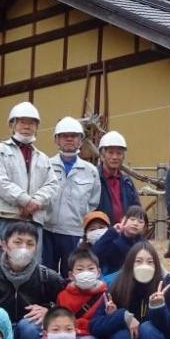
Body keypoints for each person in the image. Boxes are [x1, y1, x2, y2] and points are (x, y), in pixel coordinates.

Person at [0, 101, 59, 266]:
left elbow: (52, 185)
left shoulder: (42, 158)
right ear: (12, 124)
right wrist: (25, 200)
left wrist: (37, 201)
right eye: (22, 122)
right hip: (7, 218)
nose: (27, 126)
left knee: (32, 267)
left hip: (34, 221)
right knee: (1, 265)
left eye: (32, 123)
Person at [42, 116, 101, 275]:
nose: (69, 139)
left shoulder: (91, 171)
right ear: (56, 140)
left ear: (81, 140)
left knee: (71, 274)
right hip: (47, 230)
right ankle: (48, 301)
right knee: (46, 274)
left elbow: (93, 202)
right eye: (64, 135)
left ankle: (66, 301)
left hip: (74, 233)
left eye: (74, 136)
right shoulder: (45, 165)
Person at [56, 247, 108, 339]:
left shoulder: (105, 295)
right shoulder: (63, 296)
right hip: (68, 336)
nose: (86, 273)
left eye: (90, 269)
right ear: (71, 275)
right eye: (80, 269)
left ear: (98, 272)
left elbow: (102, 324)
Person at [95, 130, 140, 224]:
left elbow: (136, 210)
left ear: (123, 157)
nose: (115, 157)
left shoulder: (127, 182)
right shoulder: (93, 179)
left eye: (119, 153)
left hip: (124, 234)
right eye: (110, 153)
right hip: (101, 233)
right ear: (102, 156)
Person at [91, 205, 148, 276]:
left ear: (144, 226)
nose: (135, 224)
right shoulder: (112, 236)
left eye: (140, 222)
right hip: (110, 278)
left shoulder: (143, 243)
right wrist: (111, 232)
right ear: (123, 220)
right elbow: (95, 254)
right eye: (132, 219)